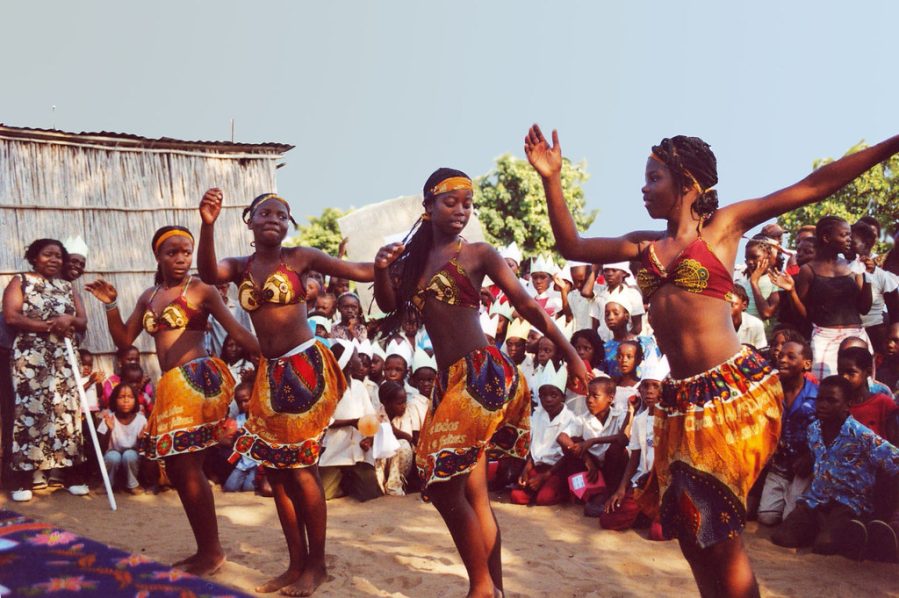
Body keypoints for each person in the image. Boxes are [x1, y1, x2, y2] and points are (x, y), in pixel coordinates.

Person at [525, 123, 899, 596]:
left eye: (654, 177)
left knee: (720, 533)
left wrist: (892, 144)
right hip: (682, 405)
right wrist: (551, 178)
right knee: (691, 529)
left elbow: (814, 184)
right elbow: (572, 247)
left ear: (688, 183)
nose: (643, 187)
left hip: (733, 395)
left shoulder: (723, 228)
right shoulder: (642, 246)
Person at [374, 168, 586, 598]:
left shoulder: (477, 254)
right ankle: (495, 589)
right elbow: (388, 302)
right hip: (449, 383)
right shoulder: (411, 263)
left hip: (482, 373)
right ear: (428, 206)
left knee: (439, 483)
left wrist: (573, 355)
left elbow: (528, 306)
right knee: (474, 494)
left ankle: (482, 588)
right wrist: (381, 268)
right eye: (450, 201)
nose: (460, 210)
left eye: (467, 203)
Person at [197, 189, 373, 595]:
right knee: (276, 475)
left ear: (288, 223)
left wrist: (387, 263)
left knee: (300, 469)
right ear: (250, 221)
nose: (273, 218)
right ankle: (295, 564)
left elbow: (356, 269)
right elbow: (208, 273)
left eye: (281, 214)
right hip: (270, 375)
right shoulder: (240, 267)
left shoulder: (299, 258)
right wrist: (207, 225)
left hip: (304, 369)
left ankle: (317, 565)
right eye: (265, 213)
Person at [85, 225, 258, 575]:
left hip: (196, 380)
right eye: (172, 252)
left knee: (185, 466)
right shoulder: (149, 296)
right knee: (181, 469)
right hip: (172, 385)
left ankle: (211, 552)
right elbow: (123, 340)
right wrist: (112, 305)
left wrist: (267, 357)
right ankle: (207, 549)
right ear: (158, 256)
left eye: (185, 251)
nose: (180, 259)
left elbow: (236, 330)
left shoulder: (201, 289)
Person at [771, 376, 899, 561]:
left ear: (848, 404)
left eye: (831, 401)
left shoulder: (861, 435)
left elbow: (894, 459)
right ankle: (826, 527)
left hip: (849, 503)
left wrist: (886, 505)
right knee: (781, 537)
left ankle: (856, 528)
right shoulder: (813, 430)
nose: (822, 405)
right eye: (820, 399)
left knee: (825, 546)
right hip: (817, 499)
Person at [3, 238, 89, 502]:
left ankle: (71, 475)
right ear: (34, 258)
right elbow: (11, 316)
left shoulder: (67, 287)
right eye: (47, 255)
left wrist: (69, 320)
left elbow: (82, 321)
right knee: (29, 414)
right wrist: (50, 326)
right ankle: (22, 480)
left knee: (67, 414)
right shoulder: (21, 281)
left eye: (58, 256)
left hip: (63, 357)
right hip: (31, 359)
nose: (53, 260)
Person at [795, 216, 873, 380]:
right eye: (844, 235)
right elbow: (803, 311)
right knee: (827, 389)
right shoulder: (808, 270)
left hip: (856, 337)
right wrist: (790, 292)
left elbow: (864, 308)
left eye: (850, 235)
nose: (849, 240)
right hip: (824, 338)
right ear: (826, 237)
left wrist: (867, 276)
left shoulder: (852, 266)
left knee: (861, 388)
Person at [602, 356, 669, 534]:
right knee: (608, 520)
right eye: (646, 386)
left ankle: (654, 514)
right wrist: (622, 489)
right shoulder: (640, 420)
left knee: (657, 533)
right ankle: (643, 513)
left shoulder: (671, 420)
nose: (649, 391)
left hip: (664, 485)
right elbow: (635, 457)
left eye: (656, 386)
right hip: (641, 482)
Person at [757, 340, 817, 526]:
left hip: (805, 467)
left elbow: (823, 434)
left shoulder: (816, 395)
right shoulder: (770, 391)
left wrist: (810, 456)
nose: (782, 360)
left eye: (791, 357)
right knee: (766, 517)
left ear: (806, 364)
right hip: (779, 465)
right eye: (780, 355)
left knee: (790, 519)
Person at [557, 376, 630, 517]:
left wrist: (593, 441)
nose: (589, 400)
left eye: (595, 396)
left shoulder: (619, 415)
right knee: (573, 442)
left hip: (614, 469)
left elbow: (623, 438)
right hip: (595, 469)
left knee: (615, 449)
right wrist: (587, 460)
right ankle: (592, 494)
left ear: (610, 398)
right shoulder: (583, 418)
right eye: (588, 395)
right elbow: (561, 437)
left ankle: (611, 492)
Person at [511, 362, 577, 506]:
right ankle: (536, 490)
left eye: (553, 395)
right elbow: (532, 447)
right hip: (537, 466)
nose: (548, 400)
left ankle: (557, 492)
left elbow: (567, 456)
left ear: (563, 397)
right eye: (543, 396)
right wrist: (526, 470)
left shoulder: (570, 418)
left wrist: (545, 477)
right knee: (517, 496)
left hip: (555, 470)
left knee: (544, 499)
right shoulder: (537, 416)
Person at [838, 346, 898, 440]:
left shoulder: (883, 403)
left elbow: (894, 441)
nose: (844, 377)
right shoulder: (838, 405)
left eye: (851, 373)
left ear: (868, 371)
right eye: (840, 372)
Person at [98, 383, 148, 494]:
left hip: (132, 456)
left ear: (135, 400)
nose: (126, 401)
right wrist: (109, 430)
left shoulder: (141, 420)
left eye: (130, 397)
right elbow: (101, 447)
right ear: (114, 400)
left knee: (129, 455)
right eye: (121, 397)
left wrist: (141, 439)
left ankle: (132, 484)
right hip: (112, 454)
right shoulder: (109, 418)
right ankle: (107, 484)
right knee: (113, 456)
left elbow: (144, 450)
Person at [730, 284, 768, 350]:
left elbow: (761, 352)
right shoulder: (715, 324)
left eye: (732, 304)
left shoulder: (755, 324)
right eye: (724, 303)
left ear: (744, 305)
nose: (727, 307)